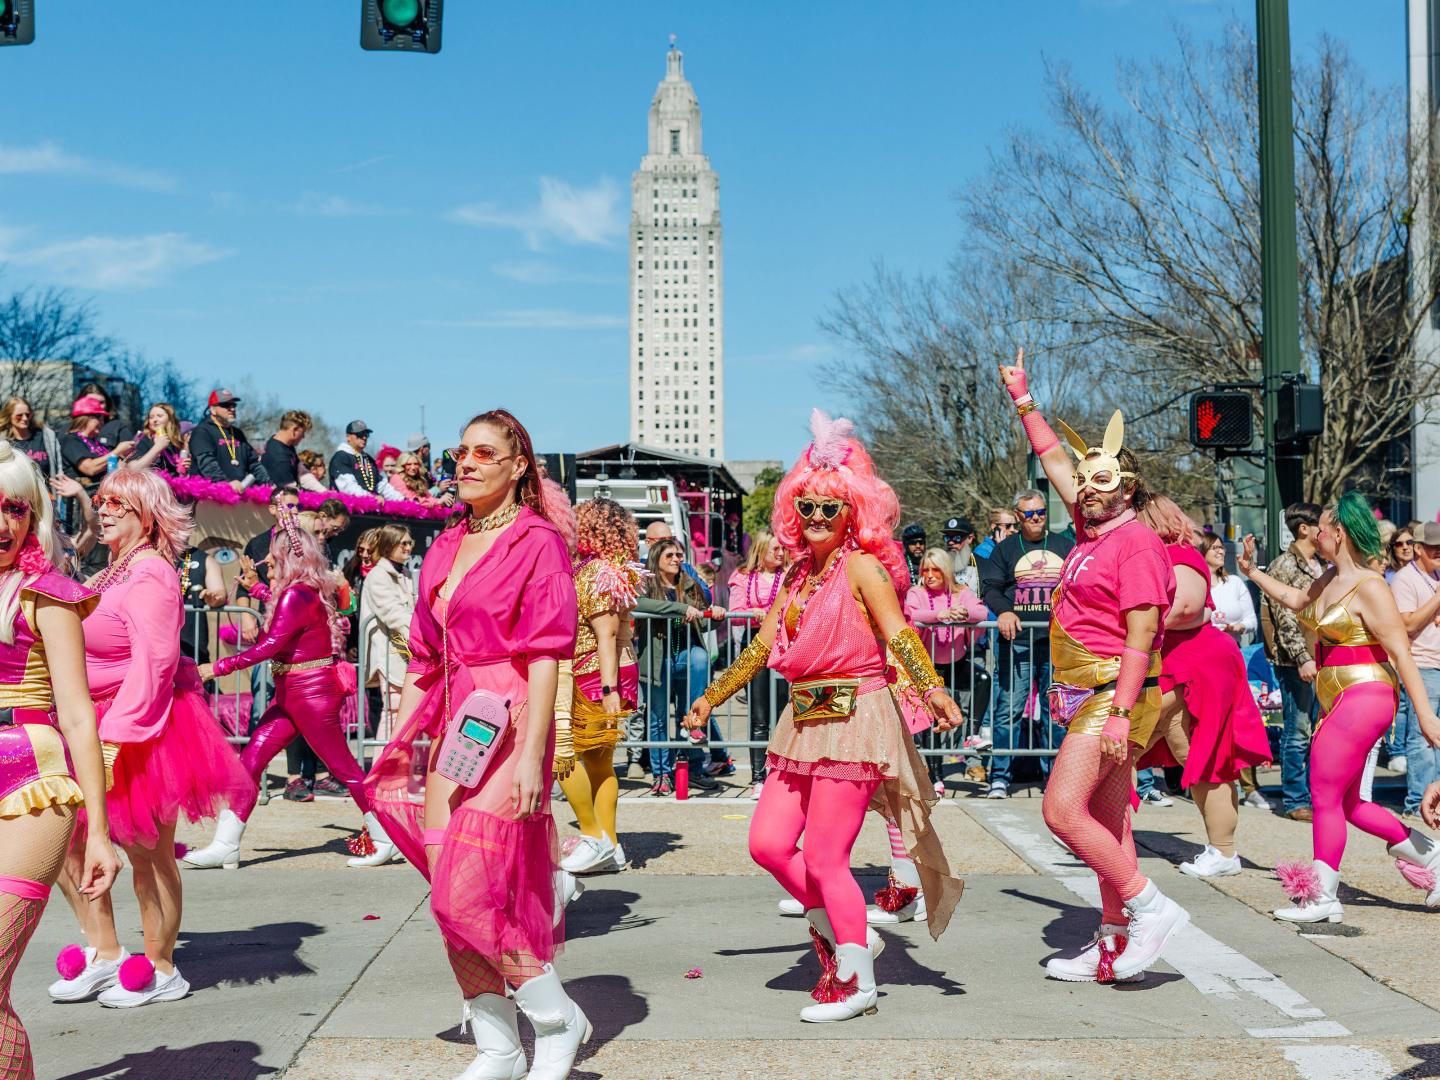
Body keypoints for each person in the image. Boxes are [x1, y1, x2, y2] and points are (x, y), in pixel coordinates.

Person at [686, 409, 964, 1023]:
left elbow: (899, 635)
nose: (815, 518)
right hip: (802, 720)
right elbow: (761, 647)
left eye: (828, 508)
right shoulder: (793, 573)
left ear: (852, 512)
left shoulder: (863, 567)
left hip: (856, 716)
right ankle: (843, 929)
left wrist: (935, 690)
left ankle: (858, 978)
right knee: (767, 844)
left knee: (825, 857)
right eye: (806, 507)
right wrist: (712, 696)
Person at [363, 408, 591, 1080]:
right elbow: (425, 659)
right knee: (451, 896)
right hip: (456, 727)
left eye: (484, 452)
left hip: (513, 718)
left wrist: (531, 758)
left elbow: (549, 654)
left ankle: (556, 1019)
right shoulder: (442, 545)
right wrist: (402, 744)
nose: (465, 462)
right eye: (461, 452)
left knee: (465, 894)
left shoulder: (537, 542)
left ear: (519, 465)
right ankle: (498, 1044)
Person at [1000, 349, 1188, 983]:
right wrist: (1023, 401)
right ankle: (1112, 942)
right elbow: (1057, 460)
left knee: (1060, 812)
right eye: (1085, 480)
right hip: (1090, 693)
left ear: (1127, 488)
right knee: (1109, 820)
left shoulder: (1134, 542)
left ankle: (1149, 906)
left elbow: (1142, 635)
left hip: (1114, 693)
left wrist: (1120, 714)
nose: (1085, 487)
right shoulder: (1090, 532)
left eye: (1100, 480)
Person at [50, 469, 254, 1008]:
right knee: (68, 844)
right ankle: (106, 952)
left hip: (137, 727)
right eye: (102, 500)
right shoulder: (110, 571)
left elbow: (157, 662)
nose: (107, 508)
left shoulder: (151, 572)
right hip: (88, 724)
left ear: (148, 513)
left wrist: (119, 736)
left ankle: (162, 966)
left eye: (120, 501)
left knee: (146, 852)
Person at [1240, 493, 1440, 921]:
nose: (1316, 531)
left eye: (1323, 525)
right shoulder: (1328, 577)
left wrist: (1425, 716)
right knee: (1349, 805)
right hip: (1338, 699)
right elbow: (1295, 601)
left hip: (1366, 695)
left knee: (1324, 791)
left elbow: (1402, 652)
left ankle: (1321, 896)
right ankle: (1433, 860)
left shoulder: (1370, 586)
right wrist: (1253, 572)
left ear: (1340, 532)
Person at [0, 442, 120, 1070]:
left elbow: (78, 715)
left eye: (14, 508)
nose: (1, 523)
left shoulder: (47, 594)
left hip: (32, 779)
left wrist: (98, 834)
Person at [187, 509, 394, 870]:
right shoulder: (300, 593)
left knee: (345, 769)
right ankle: (226, 845)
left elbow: (269, 646)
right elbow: (282, 615)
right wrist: (257, 589)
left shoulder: (296, 596)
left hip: (309, 697)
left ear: (288, 558)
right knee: (249, 762)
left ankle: (385, 838)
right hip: (295, 695)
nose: (267, 559)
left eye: (273, 554)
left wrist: (215, 668)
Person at [1134, 497, 1271, 879]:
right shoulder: (1166, 554)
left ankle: (1224, 852)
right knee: (1190, 754)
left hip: (1199, 663)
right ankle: (1221, 849)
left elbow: (1185, 608)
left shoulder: (1177, 553)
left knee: (1206, 759)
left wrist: (1132, 623)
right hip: (1184, 662)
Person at [558, 498, 643, 874]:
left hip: (595, 674)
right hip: (596, 672)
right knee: (598, 762)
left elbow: (607, 637)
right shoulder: (597, 568)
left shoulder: (599, 572)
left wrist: (609, 692)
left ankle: (595, 837)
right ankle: (608, 844)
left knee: (562, 756)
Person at [978, 487, 1074, 798]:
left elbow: (1080, 589)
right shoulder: (1005, 550)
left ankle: (1056, 778)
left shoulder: (1064, 545)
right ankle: (1000, 777)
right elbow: (990, 587)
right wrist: (1004, 611)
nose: (1036, 518)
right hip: (1016, 642)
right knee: (1008, 710)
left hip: (1056, 643)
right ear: (1019, 517)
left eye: (1041, 513)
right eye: (1029, 514)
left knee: (1056, 713)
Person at [638, 537, 723, 795]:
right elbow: (640, 605)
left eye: (679, 555)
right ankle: (661, 774)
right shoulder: (644, 583)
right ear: (656, 560)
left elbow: (701, 620)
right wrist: (679, 608)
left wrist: (715, 616)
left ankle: (694, 767)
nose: (677, 559)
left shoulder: (689, 584)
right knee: (658, 718)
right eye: (670, 556)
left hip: (685, 654)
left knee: (691, 706)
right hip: (657, 659)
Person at [904, 545, 990, 793]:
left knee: (982, 678)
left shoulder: (961, 591)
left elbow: (981, 611)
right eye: (925, 570)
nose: (929, 575)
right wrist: (940, 614)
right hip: (929, 666)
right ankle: (936, 776)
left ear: (946, 572)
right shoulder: (917, 592)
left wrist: (964, 612)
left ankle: (972, 733)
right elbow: (911, 613)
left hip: (956, 660)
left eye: (935, 570)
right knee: (933, 717)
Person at [1259, 502, 1324, 823]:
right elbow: (1285, 619)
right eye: (1319, 525)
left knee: (1318, 730)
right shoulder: (1284, 566)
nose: (1324, 531)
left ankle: (1316, 793)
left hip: (1323, 656)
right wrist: (1303, 657)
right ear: (1304, 529)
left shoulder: (1320, 565)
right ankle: (1296, 798)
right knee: (1298, 730)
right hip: (1296, 661)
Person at [727, 529, 788, 800]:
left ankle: (783, 775)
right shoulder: (742, 577)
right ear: (761, 550)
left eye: (782, 548)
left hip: (785, 647)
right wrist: (752, 614)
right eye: (774, 548)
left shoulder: (790, 576)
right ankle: (757, 777)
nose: (780, 553)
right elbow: (735, 613)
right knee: (759, 714)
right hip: (755, 645)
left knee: (785, 714)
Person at [1389, 520, 1440, 819]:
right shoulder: (1405, 580)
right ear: (1418, 549)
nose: (1438, 551)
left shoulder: (1434, 574)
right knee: (1422, 738)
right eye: (1433, 547)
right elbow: (1407, 623)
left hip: (1436, 662)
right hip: (1420, 665)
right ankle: (1416, 803)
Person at [359, 524, 416, 742]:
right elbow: (394, 615)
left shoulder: (407, 573)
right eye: (403, 543)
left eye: (410, 542)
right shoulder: (378, 576)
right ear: (388, 545)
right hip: (390, 656)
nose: (408, 547)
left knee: (409, 716)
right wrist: (426, 637)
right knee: (392, 714)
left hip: (408, 654)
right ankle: (382, 772)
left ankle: (404, 770)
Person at [188, 389, 268, 491]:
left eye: (234, 405)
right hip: (209, 496)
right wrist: (225, 484)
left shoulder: (237, 433)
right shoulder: (202, 431)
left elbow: (254, 464)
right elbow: (207, 463)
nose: (232, 409)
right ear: (213, 409)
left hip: (238, 495)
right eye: (226, 405)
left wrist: (270, 485)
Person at [1202, 534, 1258, 645]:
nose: (1221, 552)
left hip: (1232, 647)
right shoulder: (1197, 587)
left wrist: (1240, 627)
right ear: (1202, 552)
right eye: (1215, 548)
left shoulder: (1234, 583)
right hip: (1203, 648)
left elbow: (1252, 621)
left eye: (1222, 548)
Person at [330, 420, 404, 501]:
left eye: (366, 434)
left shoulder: (368, 459)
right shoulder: (341, 456)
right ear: (348, 437)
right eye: (359, 434)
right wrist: (372, 498)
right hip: (345, 509)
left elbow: (382, 486)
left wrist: (404, 500)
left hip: (369, 509)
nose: (364, 437)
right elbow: (347, 487)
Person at [0, 396, 61, 479]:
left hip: (47, 490)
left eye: (28, 414)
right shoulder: (3, 442)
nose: (25, 418)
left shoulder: (46, 436)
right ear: (9, 416)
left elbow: (59, 467)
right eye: (19, 415)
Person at [126, 403, 186, 475]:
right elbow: (133, 469)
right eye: (151, 417)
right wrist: (158, 447)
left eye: (159, 416)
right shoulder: (144, 440)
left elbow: (179, 476)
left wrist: (185, 472)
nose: (155, 420)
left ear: (170, 419)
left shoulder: (176, 442)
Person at [261, 410, 311, 491]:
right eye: (303, 432)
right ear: (294, 430)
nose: (303, 436)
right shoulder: (277, 454)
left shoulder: (287, 446)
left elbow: (303, 473)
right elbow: (290, 490)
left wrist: (325, 493)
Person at [941, 516, 980, 592]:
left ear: (970, 538)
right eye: (947, 537)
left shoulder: (982, 565)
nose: (950, 542)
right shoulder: (939, 565)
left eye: (957, 538)